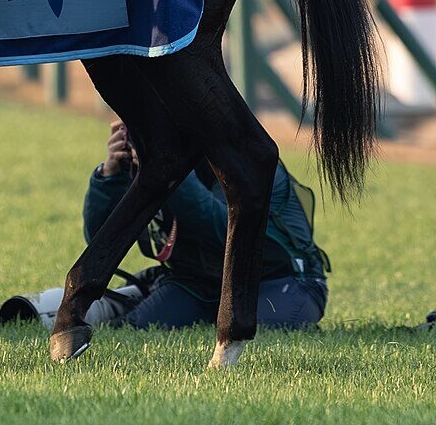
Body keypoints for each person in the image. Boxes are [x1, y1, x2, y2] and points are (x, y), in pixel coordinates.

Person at [18, 120, 329, 331]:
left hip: (279, 281)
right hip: (197, 281)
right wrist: (110, 175)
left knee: (257, 329)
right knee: (139, 328)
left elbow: (223, 230)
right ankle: (124, 300)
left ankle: (138, 293)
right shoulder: (155, 159)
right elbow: (100, 240)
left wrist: (165, 167)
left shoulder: (240, 153)